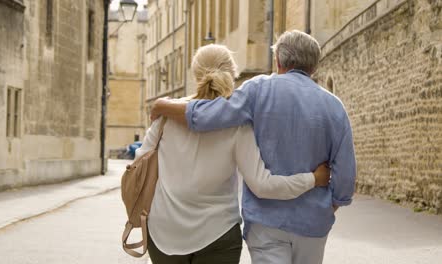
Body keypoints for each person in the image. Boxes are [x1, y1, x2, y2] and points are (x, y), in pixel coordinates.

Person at [151, 30, 357, 264]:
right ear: (314, 67)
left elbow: (211, 115)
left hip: (265, 222)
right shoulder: (334, 106)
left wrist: (164, 106)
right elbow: (346, 172)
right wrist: (332, 205)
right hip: (312, 222)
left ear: (278, 60)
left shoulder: (258, 89)